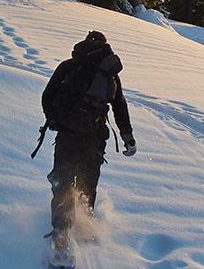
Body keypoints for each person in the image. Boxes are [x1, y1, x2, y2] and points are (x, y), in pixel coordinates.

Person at [41, 31, 135, 251]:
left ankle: (61, 230)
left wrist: (53, 119)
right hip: (94, 135)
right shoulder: (109, 73)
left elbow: (48, 95)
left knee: (63, 178)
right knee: (88, 180)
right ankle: (85, 226)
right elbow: (119, 106)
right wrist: (127, 136)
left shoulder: (69, 66)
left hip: (67, 133)